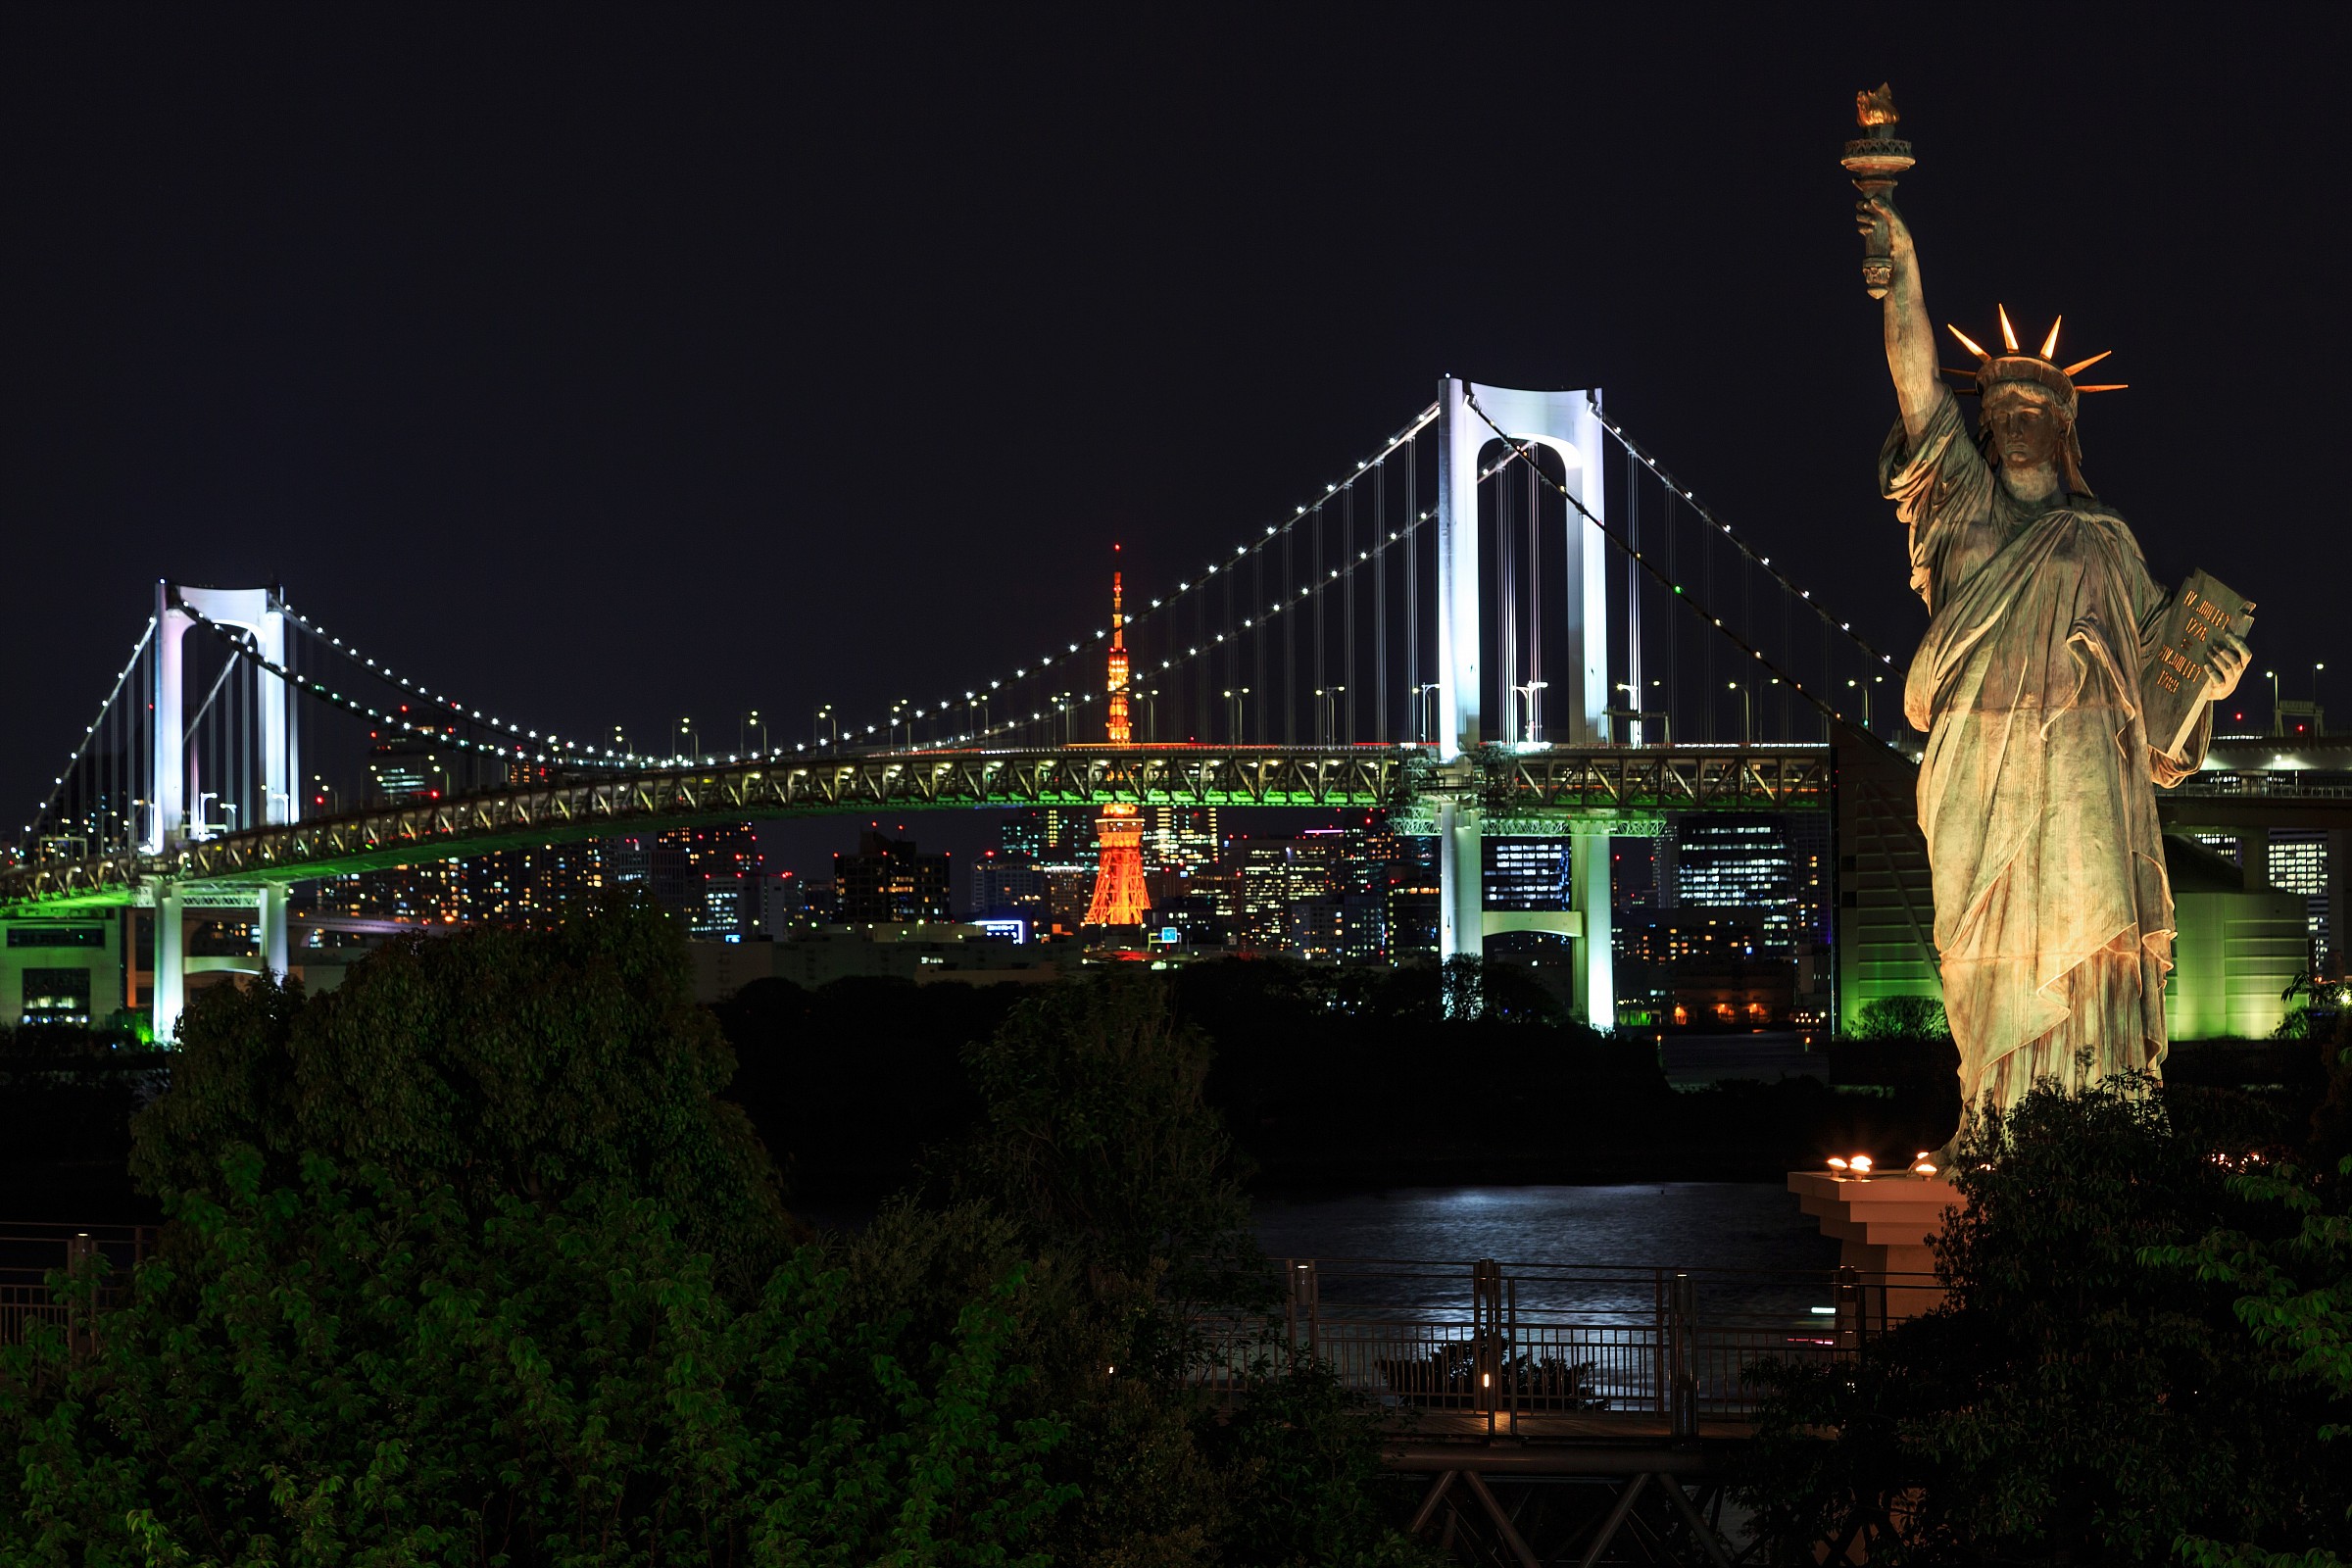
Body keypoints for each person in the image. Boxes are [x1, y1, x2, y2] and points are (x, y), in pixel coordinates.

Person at [1859, 193, 2250, 1136]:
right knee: (1979, 949)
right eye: (2003, 405)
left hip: (2081, 767)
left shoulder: (2103, 540)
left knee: (2090, 945)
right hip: (1976, 764)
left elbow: (2160, 676)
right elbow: (1917, 386)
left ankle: (2100, 1119)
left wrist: (2212, 682)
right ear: (1984, 423)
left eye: (2038, 405)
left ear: (2064, 425)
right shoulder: (1956, 504)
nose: (2020, 418)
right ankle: (1991, 1118)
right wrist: (1903, 272)